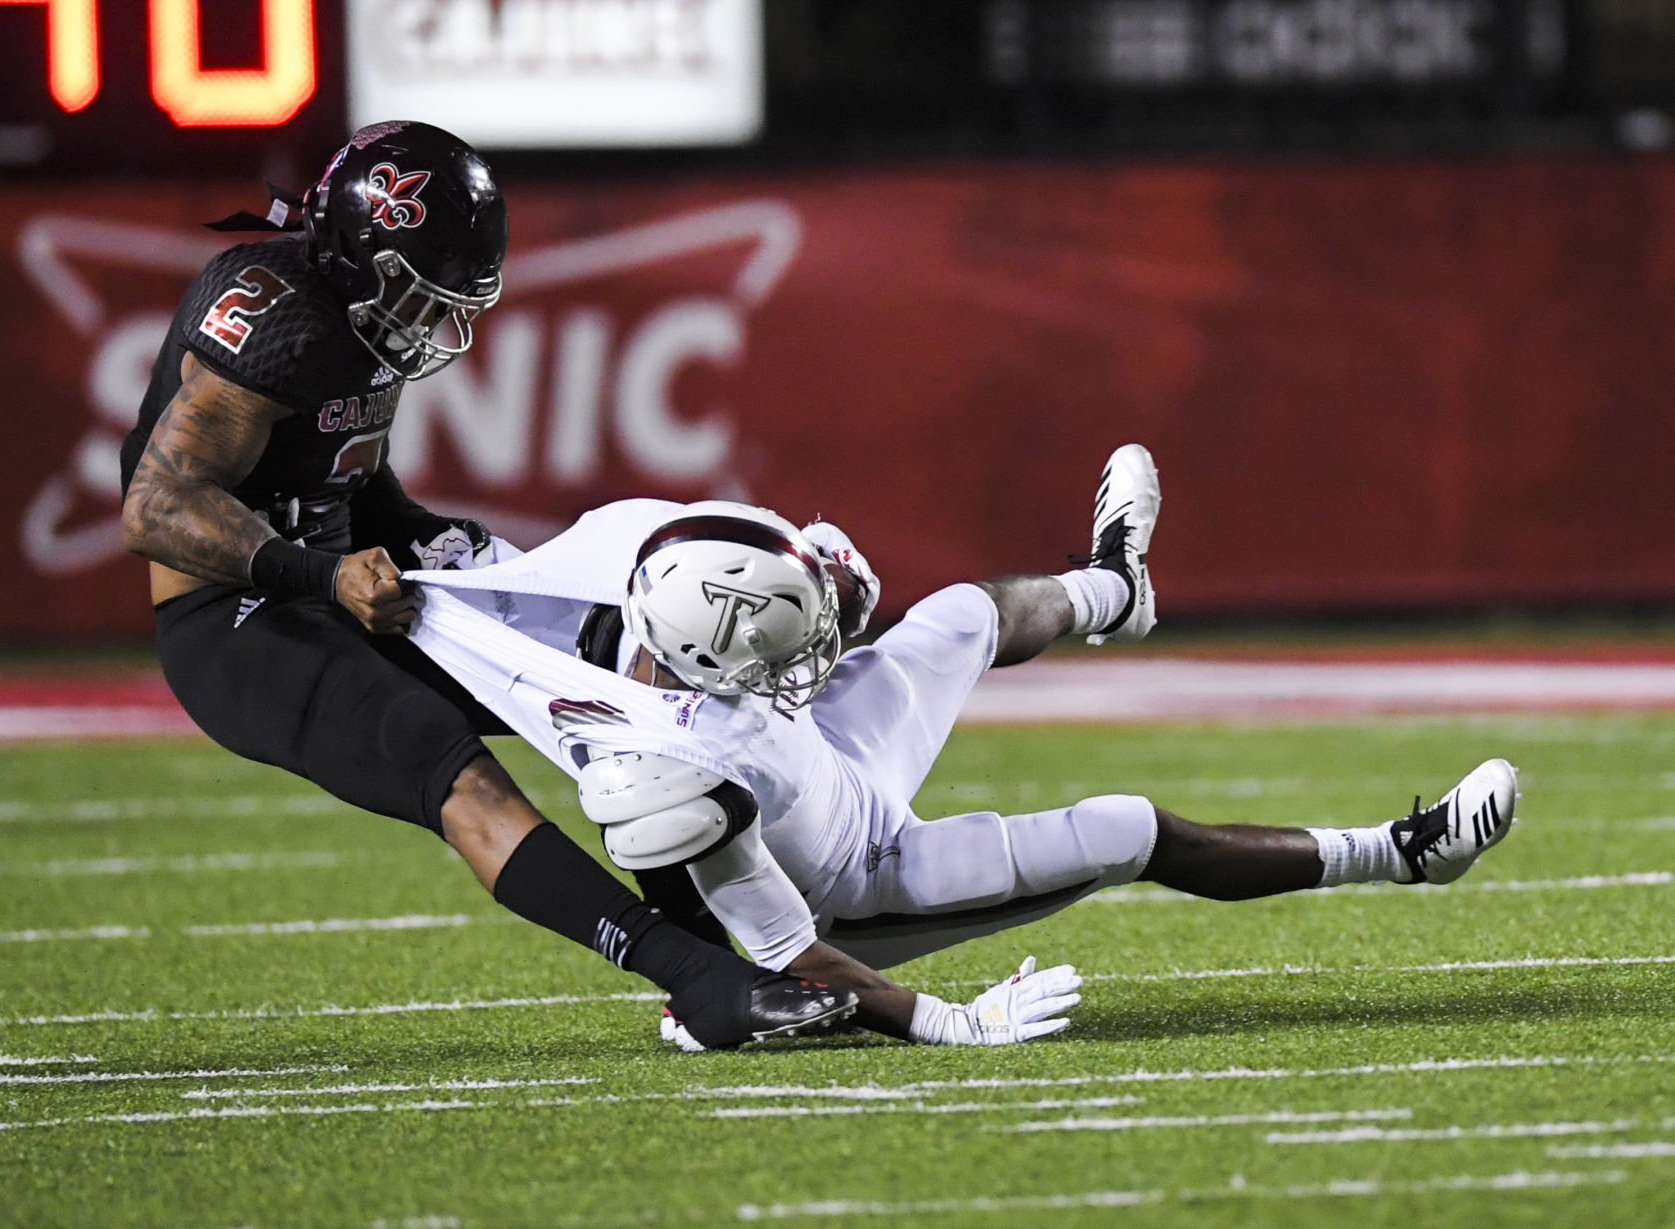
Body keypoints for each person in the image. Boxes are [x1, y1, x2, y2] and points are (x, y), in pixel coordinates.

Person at [117, 119, 862, 1052]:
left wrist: (427, 536)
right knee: (441, 760)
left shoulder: (357, 320)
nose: (442, 327)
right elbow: (155, 506)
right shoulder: (273, 317)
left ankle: (742, 943)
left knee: (625, 677)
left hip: (361, 582)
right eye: (426, 298)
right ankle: (701, 983)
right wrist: (320, 570)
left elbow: (346, 478)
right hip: (236, 616)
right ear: (369, 257)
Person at [404, 444, 1520, 1050]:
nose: (805, 655)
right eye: (778, 650)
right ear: (709, 662)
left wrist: (820, 577)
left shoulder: (637, 556)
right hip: (851, 884)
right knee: (1123, 827)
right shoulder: (657, 770)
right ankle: (1408, 851)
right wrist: (950, 1021)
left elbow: (755, 590)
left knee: (955, 615)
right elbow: (786, 948)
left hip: (832, 766)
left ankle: (1116, 586)